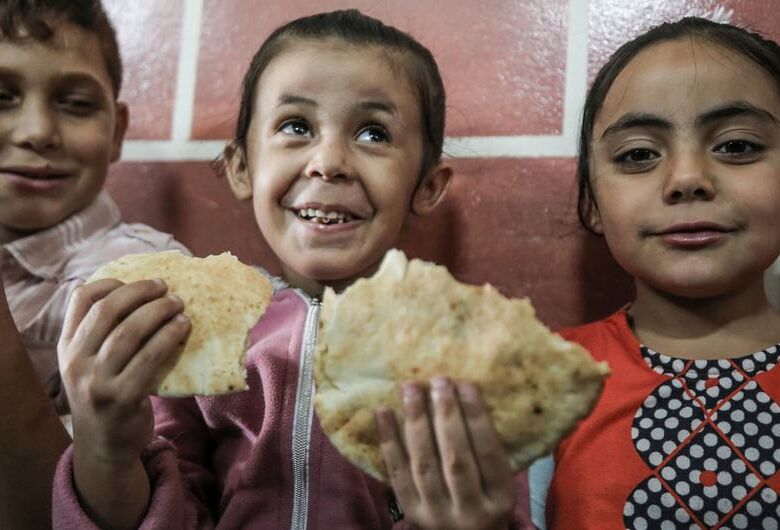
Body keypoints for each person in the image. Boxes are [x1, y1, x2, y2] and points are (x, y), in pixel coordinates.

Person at [53, 9, 533, 530]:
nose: (329, 161)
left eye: (373, 134)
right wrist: (105, 444)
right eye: (296, 126)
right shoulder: (193, 337)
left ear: (427, 186)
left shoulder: (462, 357)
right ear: (241, 167)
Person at [529, 16, 780, 530]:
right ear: (592, 203)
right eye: (639, 154)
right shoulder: (542, 380)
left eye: (736, 145)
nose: (687, 179)